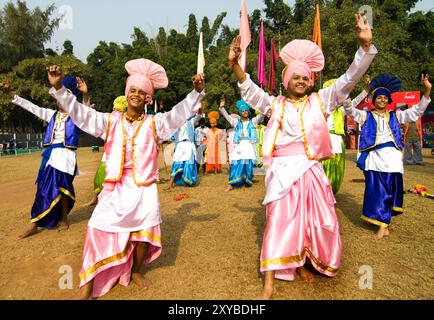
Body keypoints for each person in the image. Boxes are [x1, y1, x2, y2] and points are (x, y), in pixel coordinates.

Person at [228, 13, 377, 299]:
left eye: (304, 77)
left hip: (310, 170)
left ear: (310, 81)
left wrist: (364, 48)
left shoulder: (320, 101)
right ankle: (269, 282)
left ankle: (303, 263)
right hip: (282, 173)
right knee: (277, 223)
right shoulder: (275, 104)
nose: (300, 80)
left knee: (318, 220)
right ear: (285, 81)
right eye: (294, 76)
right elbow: (250, 90)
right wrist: (235, 65)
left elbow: (348, 80)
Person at [46, 59, 205, 299]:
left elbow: (178, 113)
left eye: (142, 92)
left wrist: (196, 92)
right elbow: (81, 113)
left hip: (144, 188)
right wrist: (59, 88)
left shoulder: (155, 124)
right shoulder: (109, 121)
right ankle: (88, 284)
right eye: (133, 90)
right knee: (95, 227)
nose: (136, 95)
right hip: (115, 187)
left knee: (143, 234)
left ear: (147, 98)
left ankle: (137, 271)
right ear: (126, 93)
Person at [343, 73, 431, 240]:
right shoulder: (366, 116)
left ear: (388, 100)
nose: (382, 100)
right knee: (375, 191)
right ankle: (384, 223)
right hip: (374, 159)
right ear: (374, 99)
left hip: (391, 160)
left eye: (385, 98)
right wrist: (349, 89)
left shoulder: (396, 115)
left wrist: (427, 91)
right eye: (379, 97)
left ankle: (383, 226)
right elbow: (349, 109)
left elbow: (416, 111)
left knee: (388, 191)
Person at [1, 75, 89, 239]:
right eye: (59, 98)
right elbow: (30, 107)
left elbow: (87, 114)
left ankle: (63, 219)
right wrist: (11, 94)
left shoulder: (77, 116)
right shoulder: (51, 114)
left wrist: (84, 95)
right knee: (43, 188)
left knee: (64, 190)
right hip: (51, 157)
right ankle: (34, 222)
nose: (60, 101)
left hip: (67, 158)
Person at [89, 96, 128, 206]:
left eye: (119, 110)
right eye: (115, 109)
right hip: (107, 155)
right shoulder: (109, 119)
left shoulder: (126, 122)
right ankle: (96, 197)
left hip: (120, 157)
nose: (117, 112)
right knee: (99, 177)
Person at [219, 98, 264, 191]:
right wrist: (222, 108)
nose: (244, 112)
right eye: (242, 111)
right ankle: (231, 184)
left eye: (246, 110)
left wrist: (264, 103)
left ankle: (246, 181)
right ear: (240, 112)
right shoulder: (236, 122)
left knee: (248, 164)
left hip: (249, 145)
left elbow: (262, 114)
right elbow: (227, 117)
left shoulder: (253, 121)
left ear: (248, 111)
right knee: (236, 163)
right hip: (239, 145)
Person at [166, 112, 202, 190]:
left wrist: (200, 110)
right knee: (176, 164)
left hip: (189, 145)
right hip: (180, 145)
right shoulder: (176, 125)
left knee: (189, 164)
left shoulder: (191, 121)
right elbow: (171, 134)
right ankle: (170, 183)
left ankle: (187, 182)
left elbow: (199, 116)